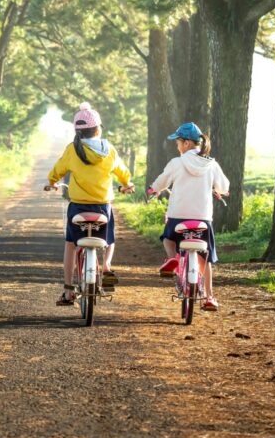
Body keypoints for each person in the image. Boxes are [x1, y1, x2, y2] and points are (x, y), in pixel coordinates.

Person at [45, 103, 134, 306]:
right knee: (109, 238)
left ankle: (68, 291)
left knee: (70, 244)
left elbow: (57, 170)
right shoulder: (109, 149)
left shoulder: (72, 149)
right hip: (103, 206)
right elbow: (122, 172)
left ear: (77, 131)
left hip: (78, 206)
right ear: (98, 129)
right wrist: (127, 184)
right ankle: (106, 266)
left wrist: (51, 183)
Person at [148, 122, 229, 311]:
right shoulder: (211, 163)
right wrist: (220, 191)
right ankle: (209, 297)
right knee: (206, 258)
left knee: (168, 239)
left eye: (177, 143)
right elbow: (224, 187)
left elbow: (161, 181)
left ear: (185, 143)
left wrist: (154, 189)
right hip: (202, 220)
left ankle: (171, 258)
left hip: (177, 219)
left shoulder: (177, 163)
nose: (177, 146)